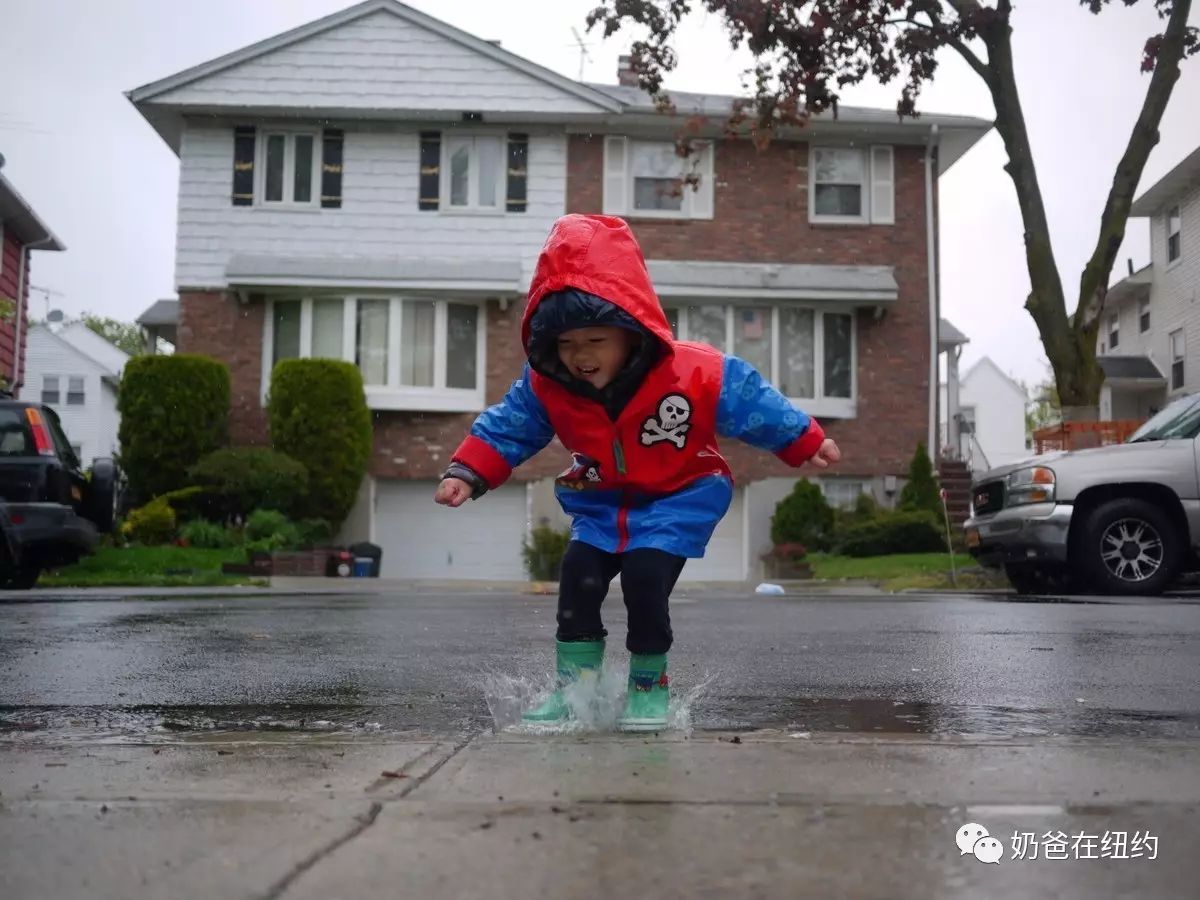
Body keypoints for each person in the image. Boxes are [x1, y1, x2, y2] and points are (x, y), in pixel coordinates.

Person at [435, 214, 840, 731]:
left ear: (630, 329)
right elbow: (507, 427)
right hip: (602, 502)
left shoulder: (691, 371)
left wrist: (803, 438)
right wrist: (468, 472)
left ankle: (648, 690)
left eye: (594, 340)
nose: (579, 357)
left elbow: (748, 399)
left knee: (645, 579)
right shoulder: (547, 385)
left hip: (679, 496)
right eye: (565, 344)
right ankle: (575, 692)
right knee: (578, 580)